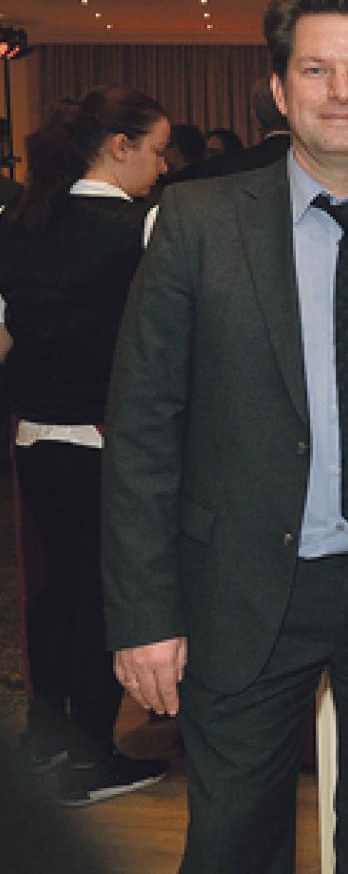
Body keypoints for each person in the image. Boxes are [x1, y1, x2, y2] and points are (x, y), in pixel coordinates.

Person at [100, 0, 348, 871]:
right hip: (244, 585)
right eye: (317, 70)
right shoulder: (198, 223)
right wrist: (144, 613)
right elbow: (143, 428)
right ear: (280, 90)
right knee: (233, 842)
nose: (341, 92)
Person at [0, 87, 171, 805]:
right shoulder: (141, 227)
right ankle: (91, 756)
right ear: (119, 147)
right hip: (109, 440)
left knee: (56, 587)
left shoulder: (19, 225)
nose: (163, 166)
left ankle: (45, 740)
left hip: (35, 436)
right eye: (157, 149)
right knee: (101, 596)